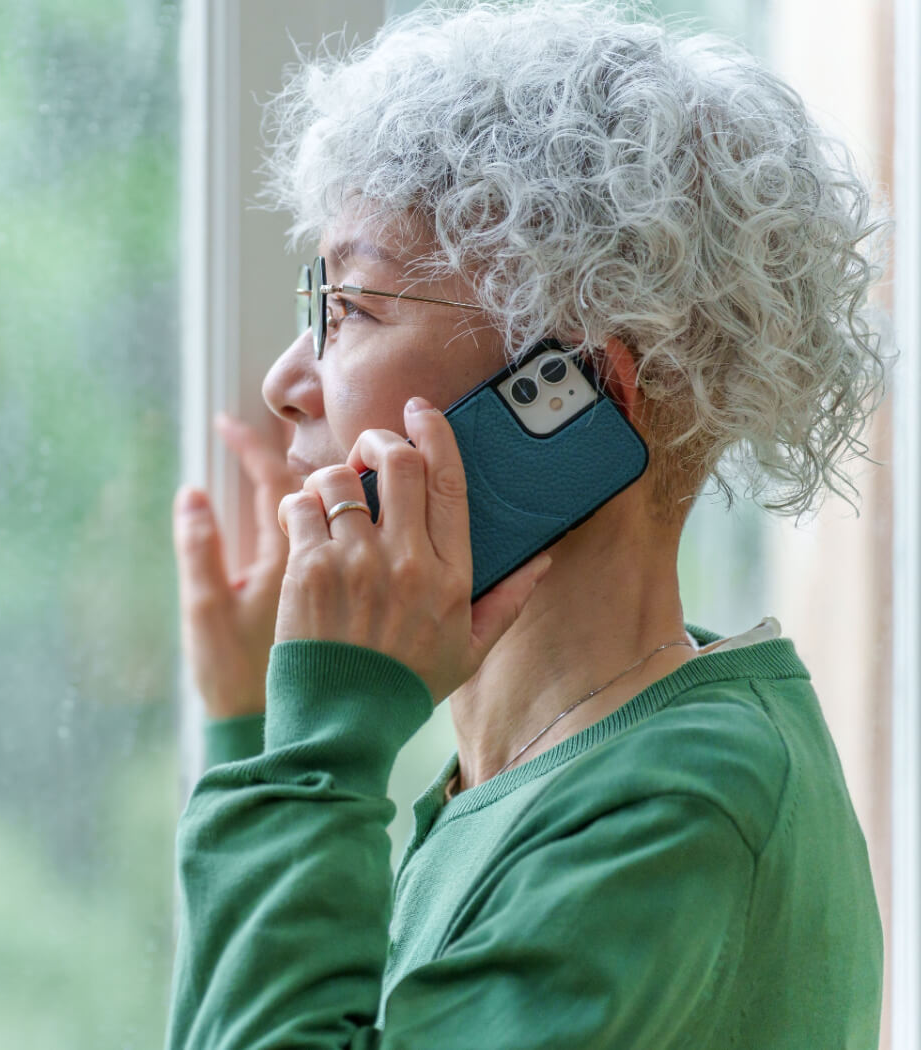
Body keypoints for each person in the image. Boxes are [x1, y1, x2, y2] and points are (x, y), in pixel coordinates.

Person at [167, 2, 888, 1047]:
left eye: (350, 307)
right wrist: (257, 727)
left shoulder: (675, 806)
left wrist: (317, 752)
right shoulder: (531, 774)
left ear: (570, 395)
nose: (286, 380)